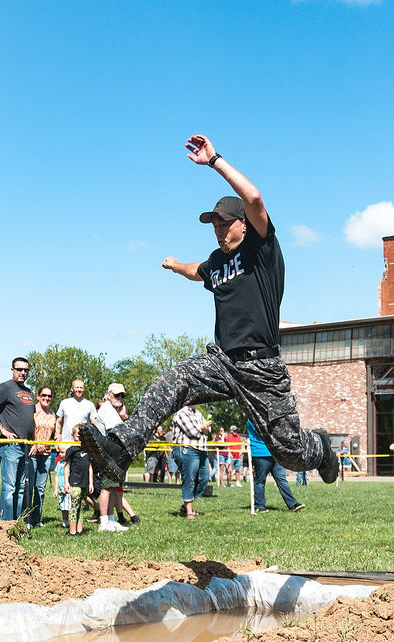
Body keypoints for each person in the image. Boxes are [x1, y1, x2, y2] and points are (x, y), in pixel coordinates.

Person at [78, 134, 339, 487]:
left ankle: (321, 448)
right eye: (213, 224)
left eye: (224, 222)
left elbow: (255, 197)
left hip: (262, 367)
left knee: (287, 451)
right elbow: (195, 270)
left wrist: (214, 160)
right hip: (224, 362)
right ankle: (120, 449)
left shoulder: (261, 250)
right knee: (173, 381)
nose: (217, 229)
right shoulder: (216, 263)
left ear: (243, 223)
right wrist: (174, 265)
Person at [0, 357, 36, 521]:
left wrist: (33, 441)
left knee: (21, 488)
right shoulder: (5, 388)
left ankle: (17, 523)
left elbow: (31, 419)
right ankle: (5, 524)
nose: (22, 373)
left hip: (25, 446)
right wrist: (3, 430)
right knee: (10, 487)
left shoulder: (28, 392)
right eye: (19, 369)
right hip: (11, 446)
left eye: (25, 370)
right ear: (12, 369)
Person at [94, 384, 133, 531]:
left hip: (113, 453)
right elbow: (116, 431)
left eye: (122, 395)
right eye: (117, 395)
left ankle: (110, 519)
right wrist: (124, 418)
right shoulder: (107, 409)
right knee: (106, 487)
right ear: (109, 395)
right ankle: (104, 522)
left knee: (111, 487)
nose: (120, 398)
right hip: (108, 453)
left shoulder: (112, 410)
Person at [248, 420, 305, 513]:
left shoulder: (269, 416)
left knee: (282, 480)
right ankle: (259, 506)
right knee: (260, 481)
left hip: (275, 453)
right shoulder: (252, 416)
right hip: (261, 453)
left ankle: (292, 504)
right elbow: (262, 430)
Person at [169, 404, 210, 521]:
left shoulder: (197, 413)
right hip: (187, 449)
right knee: (189, 478)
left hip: (201, 449)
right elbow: (192, 432)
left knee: (204, 478)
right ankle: (189, 512)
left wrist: (201, 427)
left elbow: (207, 432)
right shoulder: (181, 413)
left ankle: (185, 506)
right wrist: (202, 427)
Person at [27, 386, 57, 527]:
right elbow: (27, 429)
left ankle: (37, 519)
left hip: (46, 455)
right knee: (28, 487)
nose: (47, 398)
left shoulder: (52, 414)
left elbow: (56, 433)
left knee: (40, 488)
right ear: (38, 396)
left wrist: (57, 441)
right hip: (32, 454)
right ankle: (26, 519)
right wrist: (33, 443)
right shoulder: (32, 411)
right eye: (44, 395)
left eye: (49, 396)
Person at [63, 424, 94, 536]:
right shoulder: (71, 450)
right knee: (74, 507)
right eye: (77, 436)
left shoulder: (88, 450)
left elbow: (90, 467)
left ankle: (79, 530)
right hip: (75, 482)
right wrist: (66, 482)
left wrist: (91, 483)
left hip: (84, 482)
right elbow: (66, 467)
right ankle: (72, 531)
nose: (80, 439)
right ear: (73, 436)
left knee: (82, 506)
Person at [54, 379, 97, 452]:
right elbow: (58, 422)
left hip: (82, 444)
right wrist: (58, 435)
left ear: (84, 389)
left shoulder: (90, 405)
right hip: (66, 443)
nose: (79, 390)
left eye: (81, 387)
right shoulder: (64, 403)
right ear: (72, 388)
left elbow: (94, 424)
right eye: (77, 387)